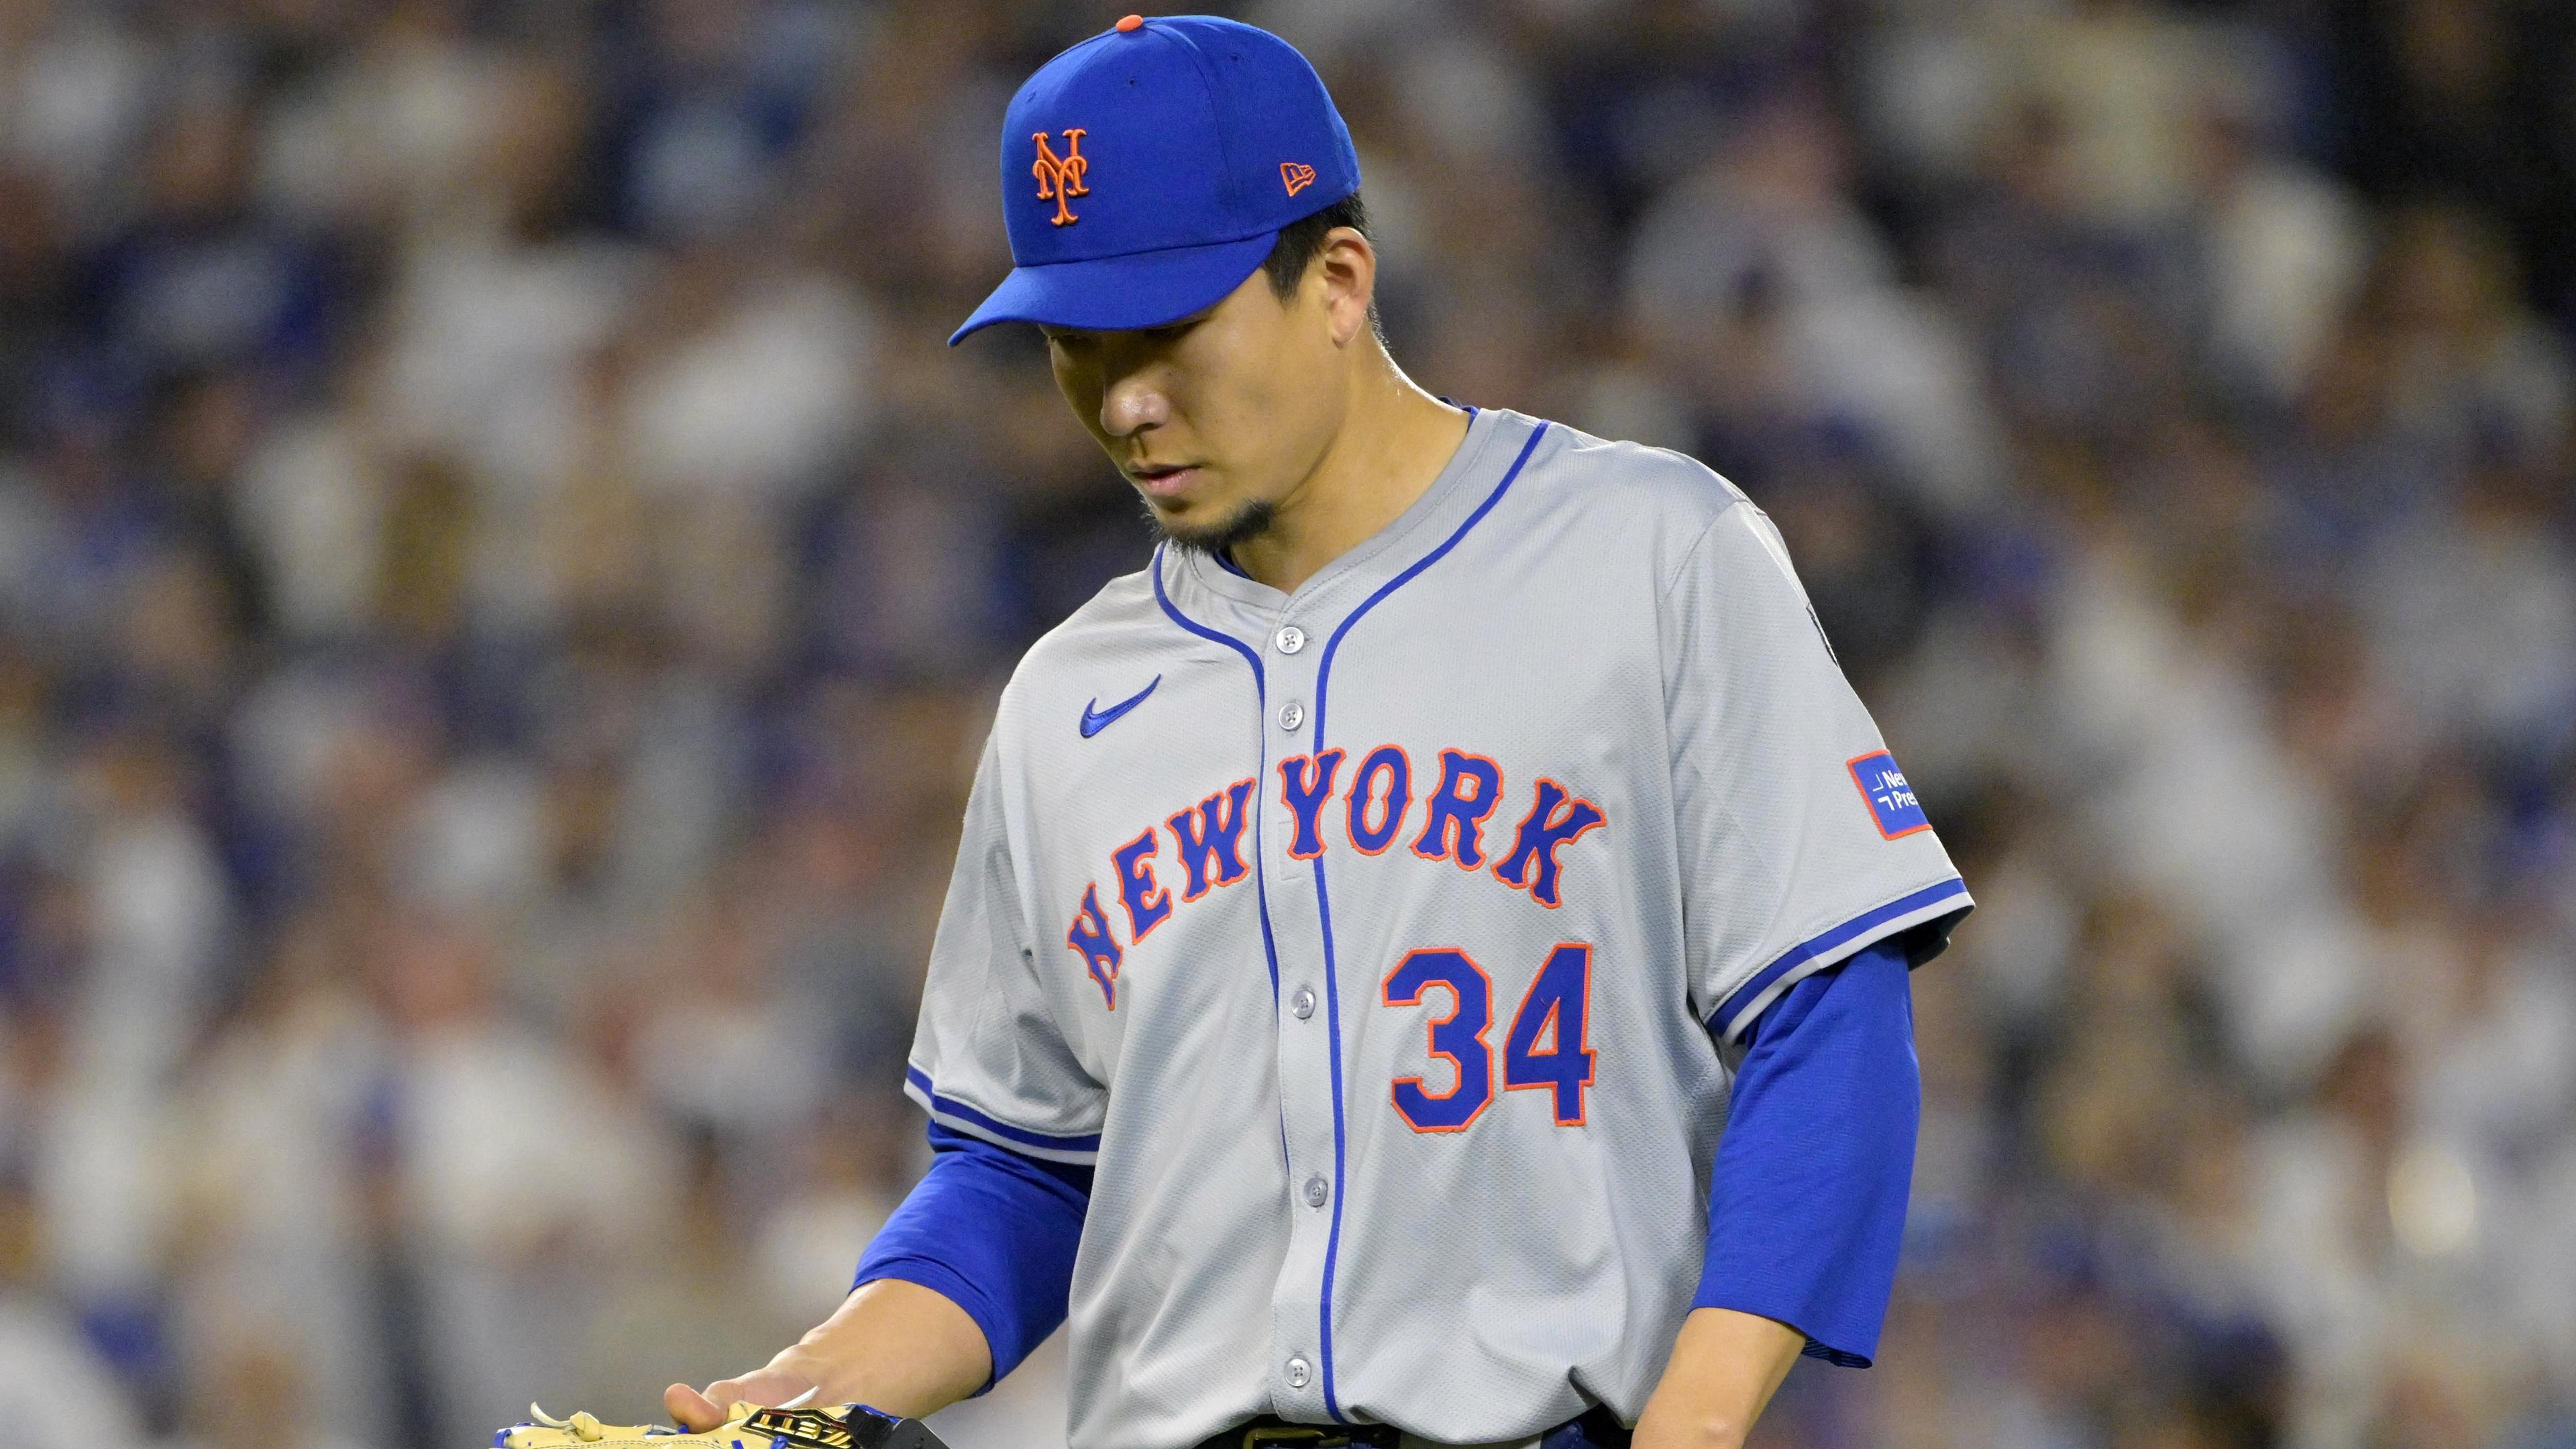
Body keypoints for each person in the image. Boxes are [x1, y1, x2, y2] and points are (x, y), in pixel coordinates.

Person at [666, 15, 1970, 1449]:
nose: (1127, 399)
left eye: (1168, 329)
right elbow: (1030, 1172)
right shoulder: (1065, 693)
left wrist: (1703, 1414)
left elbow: (1831, 1014)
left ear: (1338, 279)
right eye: (1074, 345)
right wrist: (798, 1387)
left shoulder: (1649, 555)